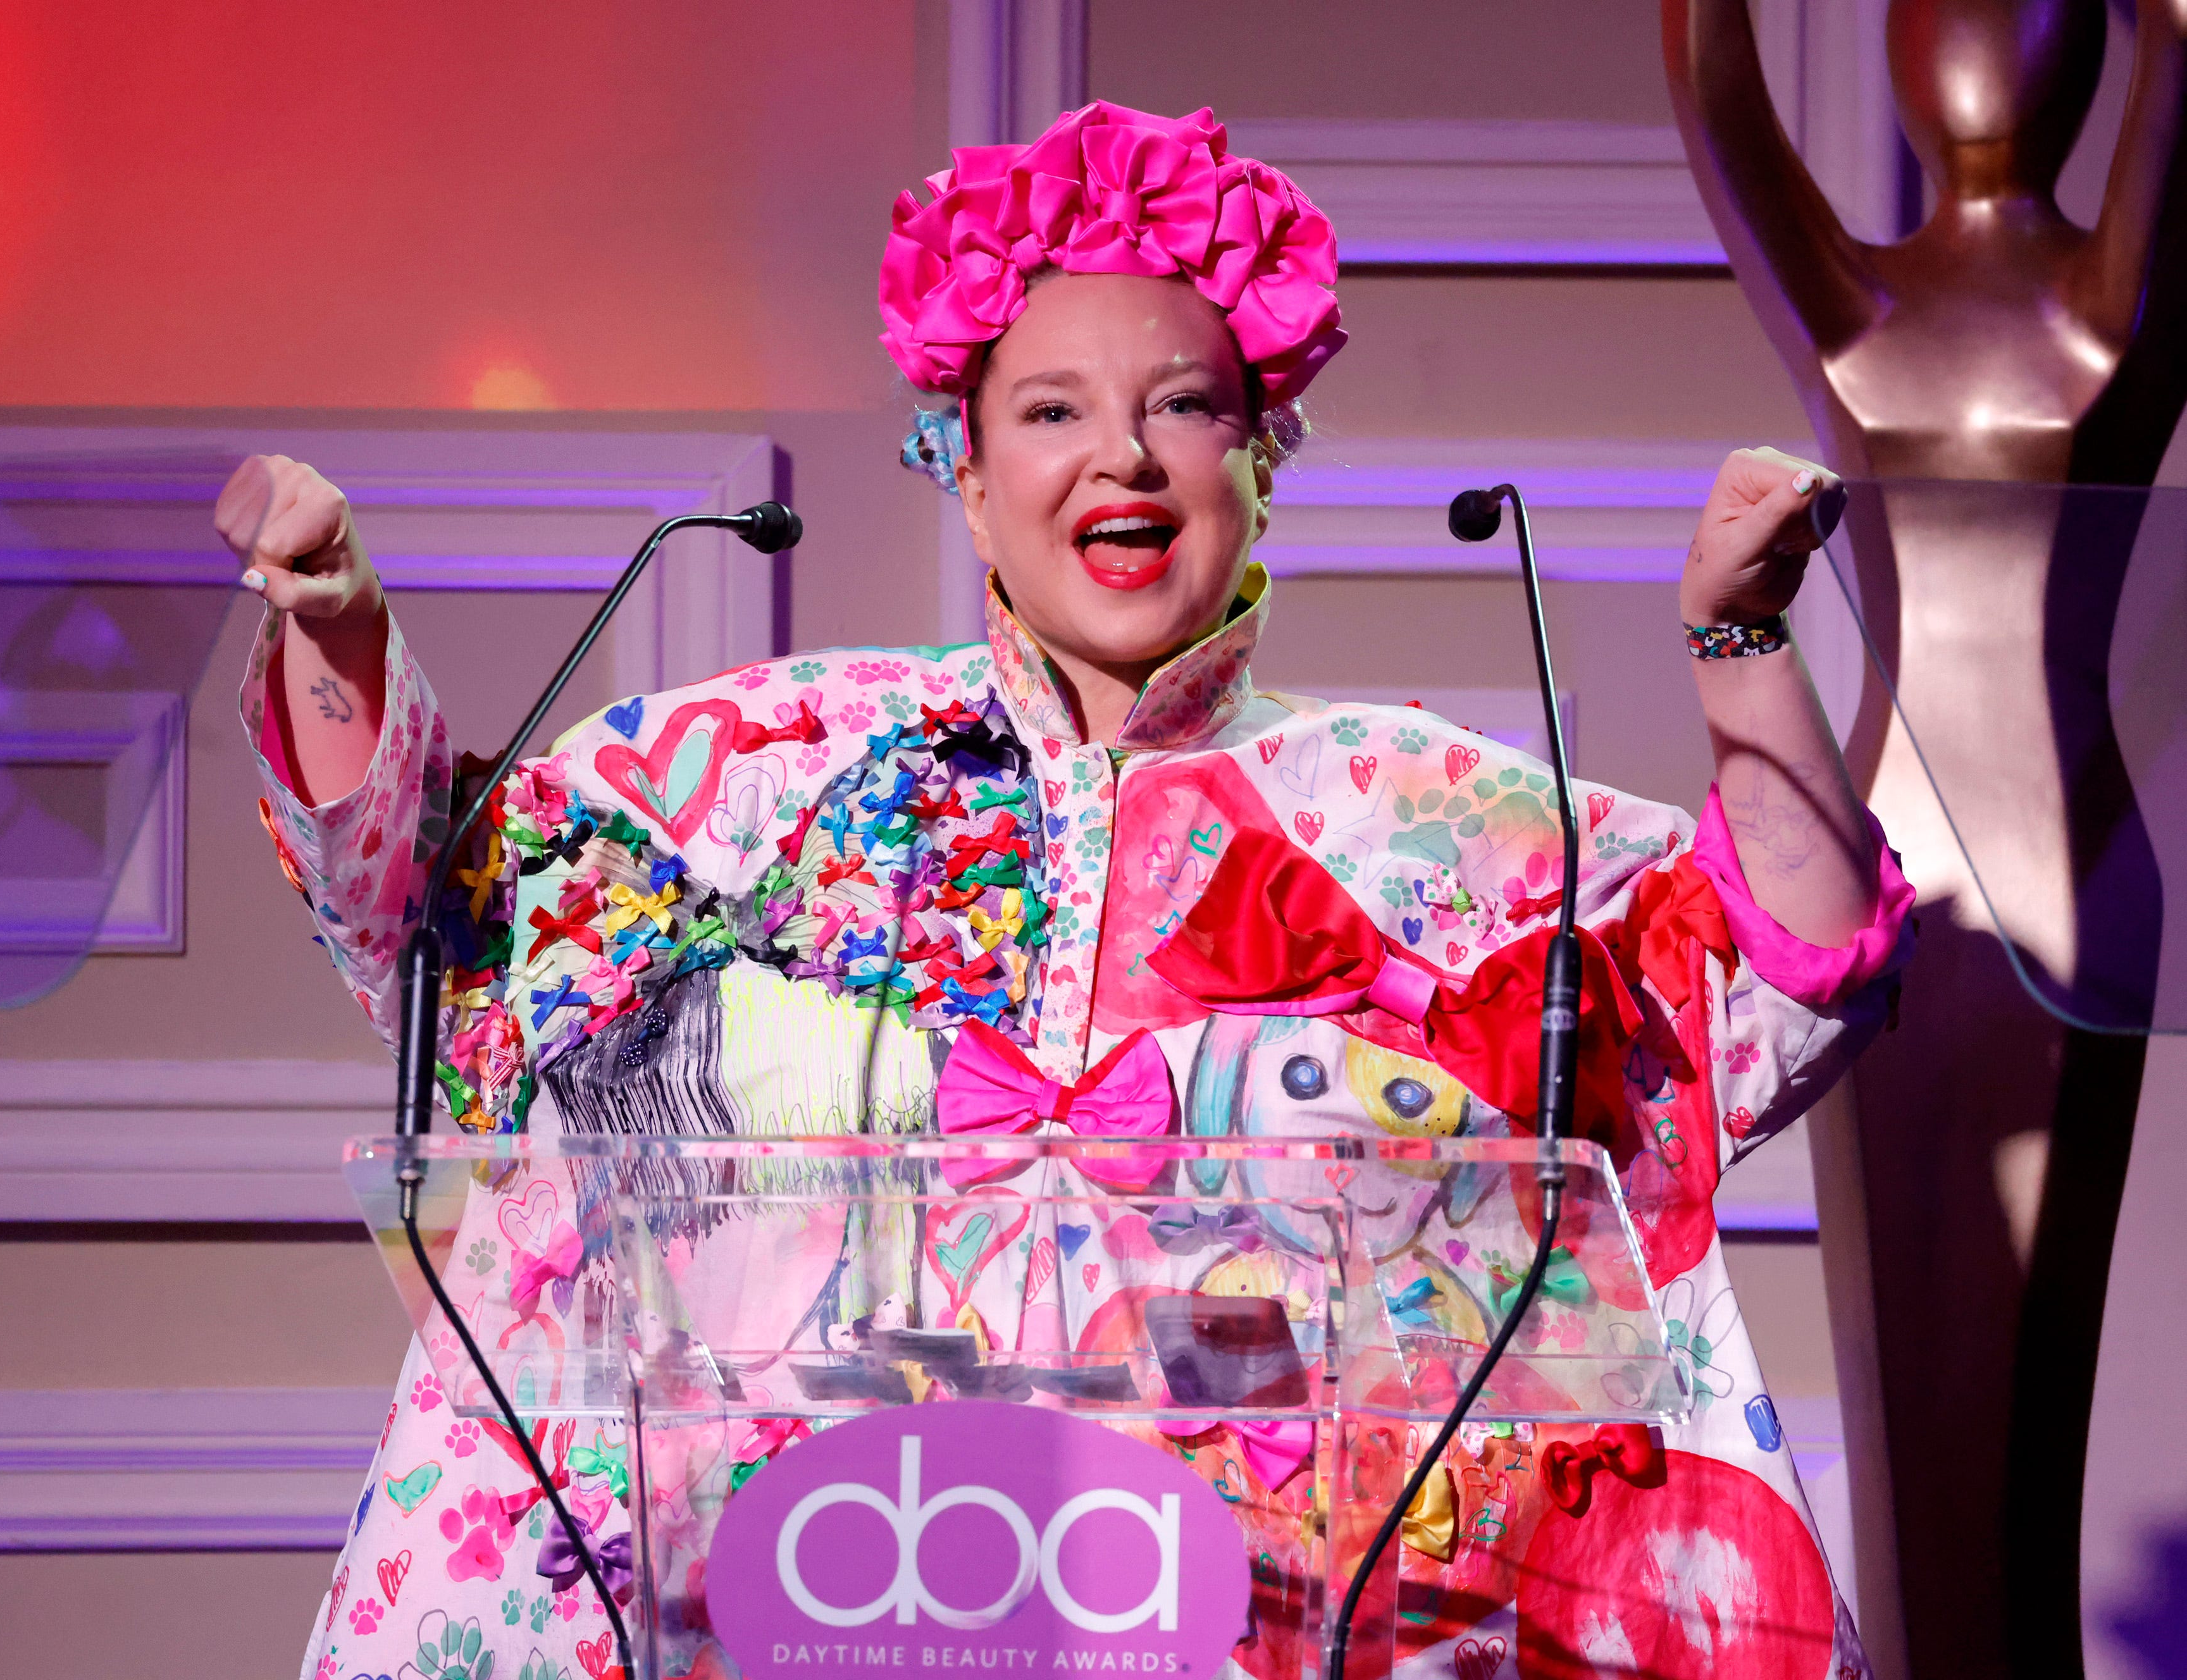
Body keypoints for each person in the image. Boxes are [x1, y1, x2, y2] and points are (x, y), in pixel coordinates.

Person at [228, 102, 1912, 1680]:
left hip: (1267, 1611)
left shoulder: (1422, 813)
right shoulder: (742, 772)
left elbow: (1777, 987)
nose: (1120, 455)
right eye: (1049, 410)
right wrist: (340, 637)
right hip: (805, 1593)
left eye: (1182, 405)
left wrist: (1743, 647)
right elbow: (434, 929)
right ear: (961, 467)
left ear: (1264, 454)